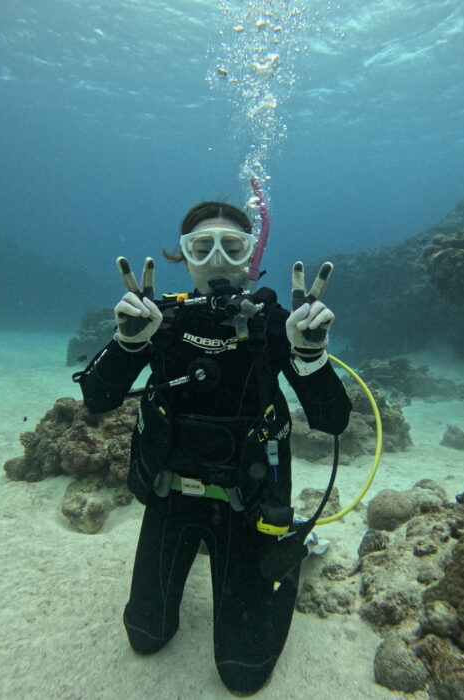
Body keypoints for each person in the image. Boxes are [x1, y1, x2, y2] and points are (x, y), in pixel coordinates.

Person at [74, 201, 351, 695]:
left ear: (251, 257)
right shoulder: (161, 321)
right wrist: (127, 343)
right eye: (202, 247)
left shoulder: (275, 325)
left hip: (250, 508)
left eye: (233, 247)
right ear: (184, 258)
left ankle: (290, 556)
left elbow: (332, 421)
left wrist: (310, 356)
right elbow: (97, 399)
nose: (217, 258)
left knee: (243, 671)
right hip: (169, 498)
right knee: (145, 634)